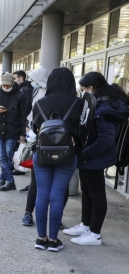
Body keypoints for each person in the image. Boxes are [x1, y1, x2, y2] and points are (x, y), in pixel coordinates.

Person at [63, 71, 129, 246]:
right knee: (87, 192)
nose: (81, 92)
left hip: (94, 157)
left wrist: (84, 154)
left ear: (91, 88)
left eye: (83, 89)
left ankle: (95, 234)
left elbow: (105, 141)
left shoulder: (104, 108)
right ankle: (86, 225)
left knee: (97, 195)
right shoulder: (97, 103)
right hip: (89, 157)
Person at [31, 67, 88, 251]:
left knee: (42, 194)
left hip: (42, 154)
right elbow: (82, 131)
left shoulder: (40, 103)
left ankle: (41, 239)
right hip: (67, 154)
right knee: (56, 195)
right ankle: (54, 241)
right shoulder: (78, 103)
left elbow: (35, 129)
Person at [0, 72, 30, 191]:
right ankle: (9, 181)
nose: (6, 87)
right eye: (4, 85)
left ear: (13, 83)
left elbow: (23, 116)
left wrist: (22, 134)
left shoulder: (20, 96)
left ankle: (3, 180)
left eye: (8, 85)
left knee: (8, 156)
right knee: (1, 158)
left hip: (13, 130)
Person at [20, 66, 49, 227]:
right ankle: (28, 213)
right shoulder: (37, 92)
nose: (32, 83)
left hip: (45, 140)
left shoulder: (47, 95)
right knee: (35, 182)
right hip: (37, 139)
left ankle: (40, 216)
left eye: (33, 80)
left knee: (44, 185)